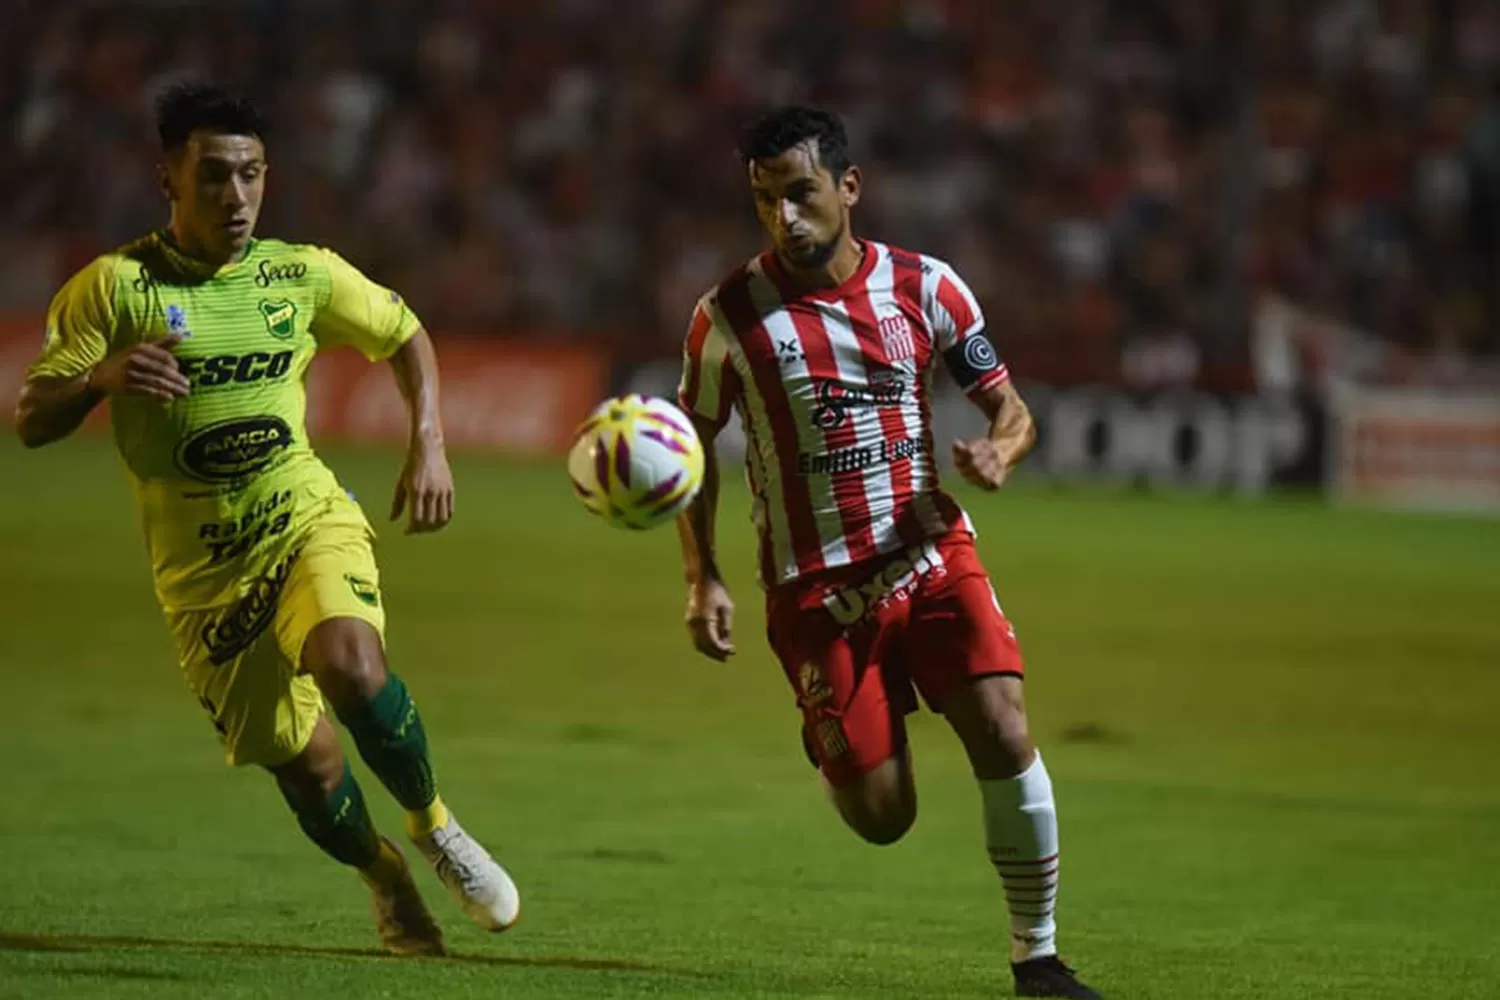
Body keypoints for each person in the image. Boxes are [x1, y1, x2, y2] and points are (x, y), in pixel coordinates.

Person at [13, 82, 519, 957]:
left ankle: (436, 827)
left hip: (302, 515)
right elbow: (30, 417)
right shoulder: (113, 290)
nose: (235, 196)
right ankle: (384, 873)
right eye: (212, 176)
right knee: (311, 774)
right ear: (166, 177)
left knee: (352, 664)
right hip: (203, 575)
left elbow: (405, 334)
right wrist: (96, 381)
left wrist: (428, 442)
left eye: (249, 175)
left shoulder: (300, 273)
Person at [675, 105, 1103, 999]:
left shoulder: (929, 288)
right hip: (815, 588)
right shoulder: (728, 318)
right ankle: (832, 733)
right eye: (764, 201)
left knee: (1004, 726)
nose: (784, 218)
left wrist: (1001, 451)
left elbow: (1011, 408)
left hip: (929, 549)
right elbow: (689, 447)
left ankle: (1040, 959)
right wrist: (701, 574)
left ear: (848, 187)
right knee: (882, 817)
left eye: (799, 194)